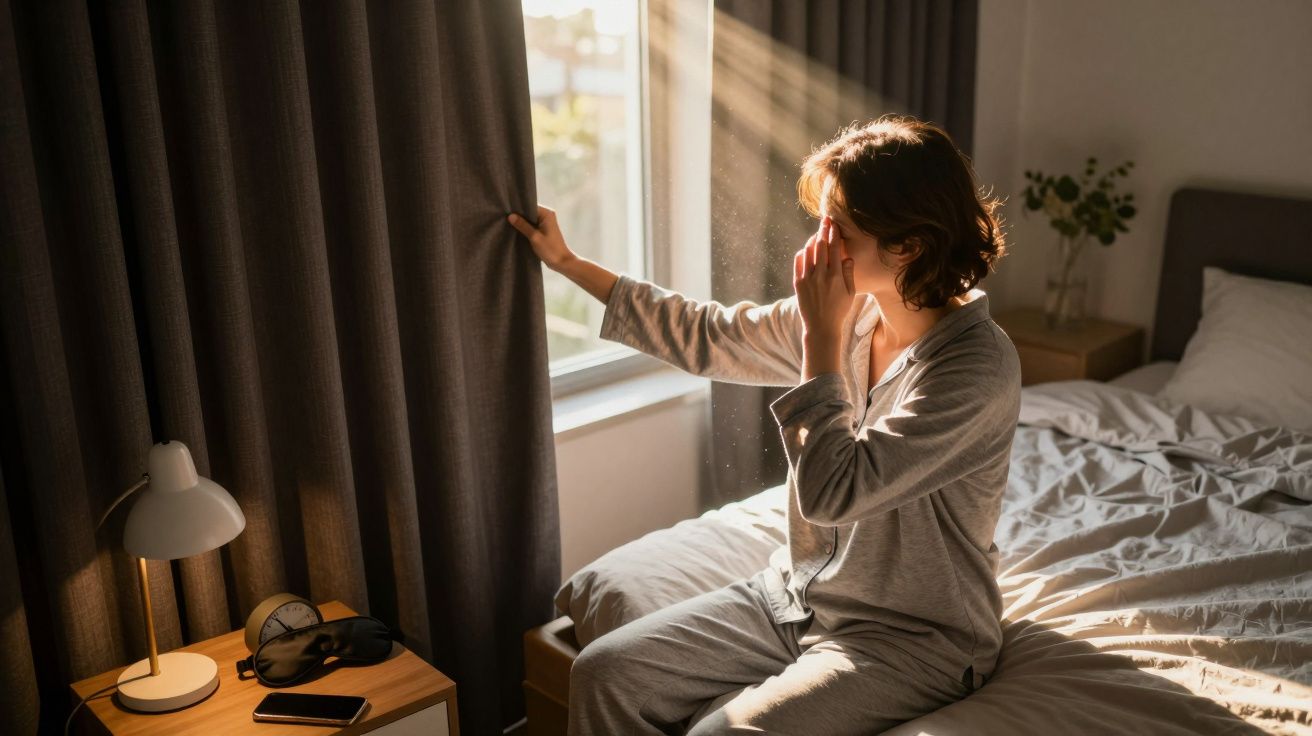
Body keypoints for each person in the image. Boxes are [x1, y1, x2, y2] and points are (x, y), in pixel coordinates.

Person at [507, 114, 1022, 735]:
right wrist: (568, 263)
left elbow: (837, 493)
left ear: (907, 245)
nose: (819, 245)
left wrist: (821, 339)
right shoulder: (855, 314)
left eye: (840, 229)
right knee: (603, 671)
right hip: (797, 597)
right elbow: (709, 334)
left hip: (913, 640)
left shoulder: (976, 369)